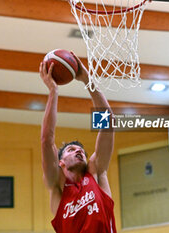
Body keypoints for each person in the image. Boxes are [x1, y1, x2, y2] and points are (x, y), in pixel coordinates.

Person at [39, 53, 116, 233]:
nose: (79, 151)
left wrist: (87, 80)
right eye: (71, 150)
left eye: (81, 150)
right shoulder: (57, 187)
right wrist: (53, 91)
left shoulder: (96, 173)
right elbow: (46, 140)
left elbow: (107, 125)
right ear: (61, 162)